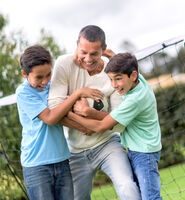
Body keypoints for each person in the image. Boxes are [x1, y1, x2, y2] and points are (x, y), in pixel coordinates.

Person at [48, 25, 141, 200]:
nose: (88, 58)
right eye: (83, 52)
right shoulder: (64, 64)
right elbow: (54, 108)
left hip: (108, 144)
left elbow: (119, 121)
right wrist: (84, 124)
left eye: (94, 54)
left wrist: (90, 114)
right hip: (75, 151)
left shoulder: (113, 74)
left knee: (127, 185)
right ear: (77, 45)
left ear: (103, 50)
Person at [68, 52, 163, 200]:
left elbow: (101, 126)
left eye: (118, 79)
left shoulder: (135, 100)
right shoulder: (139, 82)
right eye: (111, 79)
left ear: (133, 75)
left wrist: (75, 114)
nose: (114, 85)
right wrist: (107, 53)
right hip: (139, 150)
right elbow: (113, 118)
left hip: (144, 154)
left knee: (151, 197)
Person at [16, 45, 99, 200]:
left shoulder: (53, 86)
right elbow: (50, 118)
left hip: (62, 160)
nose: (45, 81)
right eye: (39, 77)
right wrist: (77, 94)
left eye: (48, 75)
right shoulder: (24, 93)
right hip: (36, 165)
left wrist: (83, 126)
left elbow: (62, 114)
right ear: (25, 74)